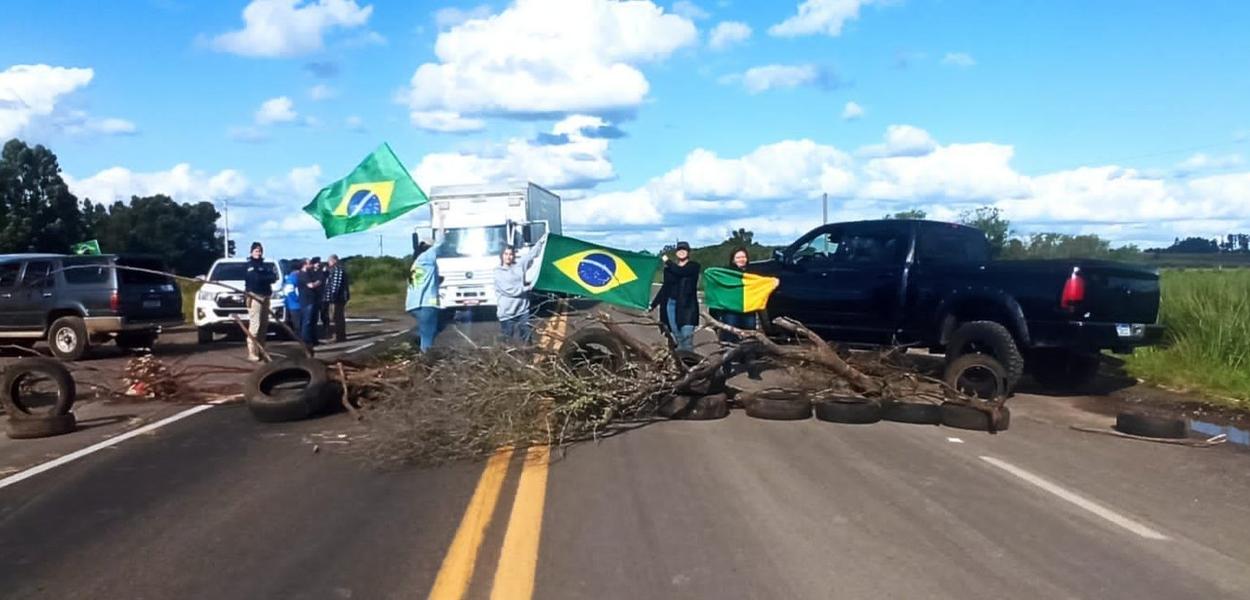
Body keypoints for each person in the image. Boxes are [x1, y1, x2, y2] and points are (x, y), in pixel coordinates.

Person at [713, 247, 761, 378]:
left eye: (743, 257)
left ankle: (752, 369)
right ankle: (727, 367)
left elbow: (761, 287)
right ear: (733, 259)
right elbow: (718, 287)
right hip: (731, 311)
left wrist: (772, 283)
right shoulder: (727, 273)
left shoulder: (752, 274)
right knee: (729, 339)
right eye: (738, 257)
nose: (741, 259)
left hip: (748, 310)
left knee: (750, 338)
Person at [494, 235, 546, 345]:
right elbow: (510, 290)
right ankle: (504, 358)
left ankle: (528, 358)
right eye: (506, 254)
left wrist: (541, 241)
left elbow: (531, 255)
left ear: (514, 256)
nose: (508, 257)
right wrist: (528, 288)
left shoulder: (519, 266)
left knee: (527, 337)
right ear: (502, 256)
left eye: (511, 254)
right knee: (507, 339)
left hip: (522, 310)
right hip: (507, 313)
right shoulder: (498, 272)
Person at [650, 241, 701, 352]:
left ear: (688, 252)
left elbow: (680, 271)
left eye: (684, 249)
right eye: (679, 249)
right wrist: (653, 304)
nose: (682, 251)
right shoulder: (669, 270)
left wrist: (667, 260)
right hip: (671, 305)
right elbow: (665, 288)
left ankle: (690, 365)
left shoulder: (693, 266)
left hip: (687, 307)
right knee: (678, 338)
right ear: (676, 252)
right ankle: (681, 366)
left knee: (686, 337)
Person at [406, 234, 443, 352]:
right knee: (428, 335)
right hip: (426, 303)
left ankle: (423, 354)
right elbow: (440, 242)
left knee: (425, 333)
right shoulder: (427, 257)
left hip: (413, 304)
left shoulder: (416, 263)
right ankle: (426, 361)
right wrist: (441, 220)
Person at [243, 242, 277, 362]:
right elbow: (256, 279)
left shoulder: (264, 265)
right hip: (254, 296)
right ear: (251, 252)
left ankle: (261, 350)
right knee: (255, 326)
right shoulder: (250, 265)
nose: (259, 253)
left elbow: (274, 277)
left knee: (264, 326)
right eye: (256, 251)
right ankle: (252, 352)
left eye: (260, 251)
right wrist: (266, 277)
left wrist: (266, 277)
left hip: (266, 296)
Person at [297, 258, 323, 347]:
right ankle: (306, 340)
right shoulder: (302, 274)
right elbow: (310, 285)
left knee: (313, 321)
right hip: (306, 300)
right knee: (307, 321)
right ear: (304, 265)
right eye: (309, 263)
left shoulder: (309, 273)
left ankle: (313, 339)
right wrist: (318, 282)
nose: (311, 265)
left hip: (312, 299)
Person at [323, 254, 350, 343]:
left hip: (338, 298)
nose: (328, 263)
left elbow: (335, 285)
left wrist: (332, 296)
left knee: (337, 317)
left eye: (329, 261)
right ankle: (339, 336)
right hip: (337, 297)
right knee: (337, 317)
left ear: (334, 260)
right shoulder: (334, 270)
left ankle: (340, 336)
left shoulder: (337, 270)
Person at [282, 259, 304, 337]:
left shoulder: (290, 277)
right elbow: (289, 290)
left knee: (295, 324)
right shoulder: (293, 278)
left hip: (291, 304)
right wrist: (297, 299)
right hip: (295, 305)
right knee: (298, 325)